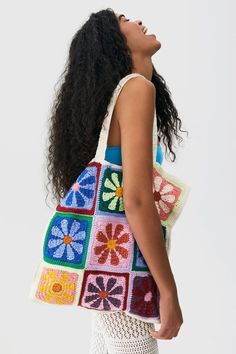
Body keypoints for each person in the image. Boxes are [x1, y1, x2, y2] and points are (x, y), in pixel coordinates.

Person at [45, 8, 188, 354]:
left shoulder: (116, 96)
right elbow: (136, 200)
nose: (138, 21)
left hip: (106, 276)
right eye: (124, 20)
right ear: (113, 43)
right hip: (125, 278)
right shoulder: (136, 89)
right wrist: (168, 291)